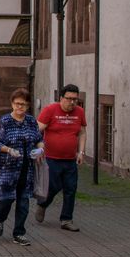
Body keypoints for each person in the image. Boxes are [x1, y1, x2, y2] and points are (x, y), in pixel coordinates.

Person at [0, 88, 45, 246]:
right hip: (9, 169)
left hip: (26, 170)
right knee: (5, 202)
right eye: (17, 104)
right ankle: (0, 219)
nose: (20, 107)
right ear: (12, 104)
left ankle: (19, 233)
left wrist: (40, 148)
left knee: (23, 203)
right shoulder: (5, 121)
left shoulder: (31, 121)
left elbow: (38, 138)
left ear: (28, 106)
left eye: (24, 105)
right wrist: (8, 150)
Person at [35, 84, 88, 232]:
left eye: (75, 99)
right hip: (51, 158)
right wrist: (38, 148)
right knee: (52, 187)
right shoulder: (50, 110)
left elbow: (82, 133)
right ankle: (43, 204)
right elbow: (37, 130)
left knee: (70, 189)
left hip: (70, 159)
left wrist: (81, 152)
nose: (72, 102)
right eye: (69, 99)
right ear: (61, 98)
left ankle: (66, 219)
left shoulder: (79, 112)